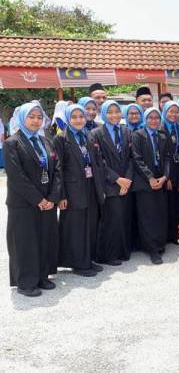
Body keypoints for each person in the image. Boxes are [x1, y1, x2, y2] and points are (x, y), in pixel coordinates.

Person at [4, 102, 61, 297]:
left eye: (39, 117)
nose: (36, 121)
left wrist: (52, 197)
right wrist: (38, 199)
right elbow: (16, 176)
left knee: (45, 239)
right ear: (22, 118)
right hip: (24, 204)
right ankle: (26, 282)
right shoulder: (12, 143)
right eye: (32, 117)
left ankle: (42, 276)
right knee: (25, 242)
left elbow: (57, 170)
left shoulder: (46, 141)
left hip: (47, 202)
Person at [54, 104, 104, 277]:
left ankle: (87, 259)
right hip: (72, 189)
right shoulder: (61, 138)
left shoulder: (87, 136)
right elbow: (58, 169)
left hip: (90, 185)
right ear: (68, 118)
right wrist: (61, 195)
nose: (78, 120)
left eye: (81, 116)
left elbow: (96, 162)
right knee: (75, 227)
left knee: (89, 224)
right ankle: (78, 263)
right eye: (74, 117)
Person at [89, 100, 134, 266]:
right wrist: (118, 179)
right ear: (104, 114)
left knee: (123, 219)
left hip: (126, 182)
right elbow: (98, 162)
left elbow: (131, 157)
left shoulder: (125, 130)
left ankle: (122, 251)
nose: (114, 115)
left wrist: (127, 180)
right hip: (109, 183)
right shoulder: (96, 133)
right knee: (110, 220)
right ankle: (107, 255)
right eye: (110, 112)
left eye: (117, 111)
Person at [131, 108, 170, 264]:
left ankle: (160, 244)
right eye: (150, 118)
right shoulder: (138, 135)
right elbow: (137, 158)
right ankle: (151, 248)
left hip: (160, 180)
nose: (153, 120)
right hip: (145, 182)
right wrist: (150, 178)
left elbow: (167, 157)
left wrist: (165, 177)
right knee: (147, 216)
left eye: (156, 117)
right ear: (145, 119)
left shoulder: (162, 135)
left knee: (160, 214)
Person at [160, 101, 179, 243]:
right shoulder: (159, 128)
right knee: (167, 205)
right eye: (170, 111)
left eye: (176, 112)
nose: (174, 114)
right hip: (166, 172)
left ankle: (178, 234)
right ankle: (167, 235)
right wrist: (168, 176)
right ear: (164, 111)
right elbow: (161, 154)